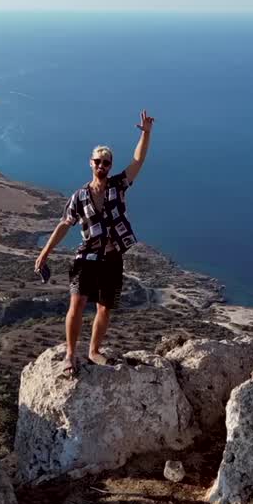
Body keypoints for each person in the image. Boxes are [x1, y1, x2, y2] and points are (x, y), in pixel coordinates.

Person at [35, 110, 155, 375]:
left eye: (106, 163)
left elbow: (138, 160)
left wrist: (146, 134)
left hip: (112, 258)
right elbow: (64, 224)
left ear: (110, 166)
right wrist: (44, 253)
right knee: (76, 304)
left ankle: (93, 351)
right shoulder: (79, 197)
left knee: (104, 308)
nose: (102, 166)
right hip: (86, 258)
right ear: (91, 163)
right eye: (98, 161)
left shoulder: (118, 186)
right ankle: (70, 355)